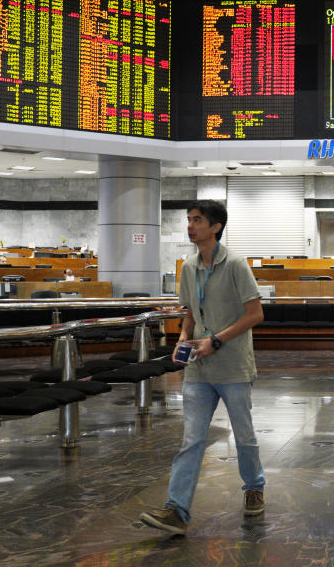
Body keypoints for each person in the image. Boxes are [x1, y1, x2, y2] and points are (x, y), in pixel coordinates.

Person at [140, 200, 265, 535]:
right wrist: (183, 336)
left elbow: (255, 315)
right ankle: (176, 511)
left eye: (197, 220)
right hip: (198, 368)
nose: (190, 226)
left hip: (233, 366)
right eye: (189, 220)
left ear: (216, 227)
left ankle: (254, 486)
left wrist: (217, 341)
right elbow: (190, 314)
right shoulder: (187, 267)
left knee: (245, 436)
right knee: (192, 439)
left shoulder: (236, 264)